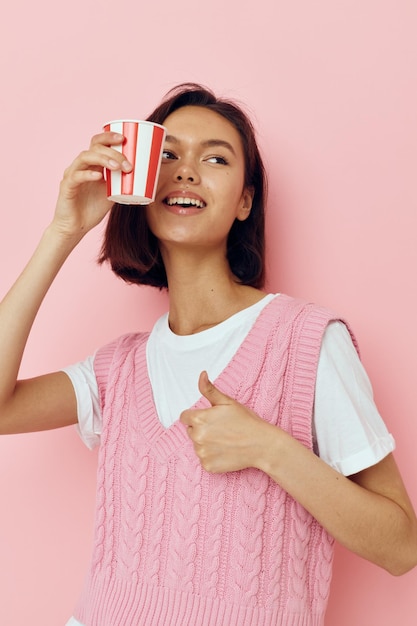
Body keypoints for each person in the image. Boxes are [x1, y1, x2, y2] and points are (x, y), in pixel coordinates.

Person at [0, 83, 416, 626]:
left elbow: (402, 547)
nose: (187, 170)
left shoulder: (306, 341)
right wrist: (64, 229)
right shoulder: (118, 369)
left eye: (215, 157)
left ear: (245, 200)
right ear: (141, 185)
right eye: (167, 155)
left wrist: (271, 450)